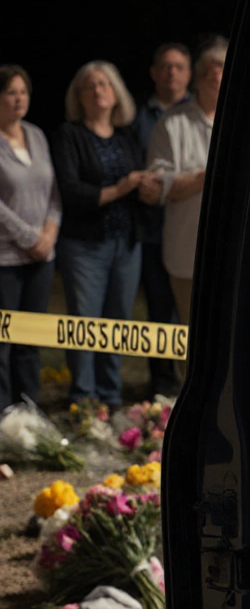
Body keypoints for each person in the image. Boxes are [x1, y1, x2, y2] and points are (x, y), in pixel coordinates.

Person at [52, 61, 149, 408]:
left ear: (116, 92)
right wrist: (121, 188)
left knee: (118, 325)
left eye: (104, 84)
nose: (98, 91)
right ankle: (84, 401)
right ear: (79, 96)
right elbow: (72, 192)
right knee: (85, 326)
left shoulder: (125, 137)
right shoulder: (69, 135)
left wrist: (147, 186)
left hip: (126, 244)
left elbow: (137, 187)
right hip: (84, 246)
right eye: (90, 86)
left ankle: (110, 397)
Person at [146, 37, 226, 326]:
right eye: (213, 77)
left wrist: (190, 180)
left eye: (224, 76)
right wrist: (209, 176)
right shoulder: (172, 122)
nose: (219, 83)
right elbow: (159, 186)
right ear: (200, 80)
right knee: (190, 337)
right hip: (186, 253)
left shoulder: (241, 125)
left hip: (234, 255)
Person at [132, 42, 191, 396]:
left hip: (189, 233)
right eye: (165, 67)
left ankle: (188, 383)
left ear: (189, 74)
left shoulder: (203, 114)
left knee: (191, 314)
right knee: (158, 310)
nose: (172, 73)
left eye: (179, 67)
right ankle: (161, 383)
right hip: (151, 230)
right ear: (154, 73)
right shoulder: (137, 118)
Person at [0, 66, 59, 409]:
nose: (19, 98)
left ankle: (30, 410)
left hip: (42, 257)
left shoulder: (36, 135)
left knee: (30, 340)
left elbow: (53, 193)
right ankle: (6, 417)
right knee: (4, 342)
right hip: (6, 258)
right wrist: (29, 237)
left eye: (23, 91)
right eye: (10, 92)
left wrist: (49, 233)